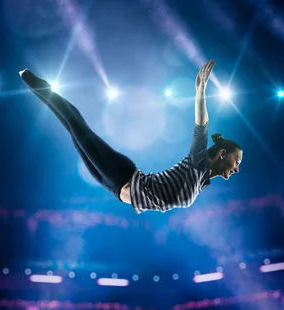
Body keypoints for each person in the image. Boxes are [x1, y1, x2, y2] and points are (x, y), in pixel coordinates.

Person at [19, 59, 242, 214]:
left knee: (73, 131)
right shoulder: (198, 162)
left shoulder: (202, 180)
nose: (237, 168)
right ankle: (33, 81)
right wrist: (201, 90)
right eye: (237, 161)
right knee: (78, 127)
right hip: (122, 174)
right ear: (222, 153)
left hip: (114, 188)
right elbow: (201, 126)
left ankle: (40, 89)